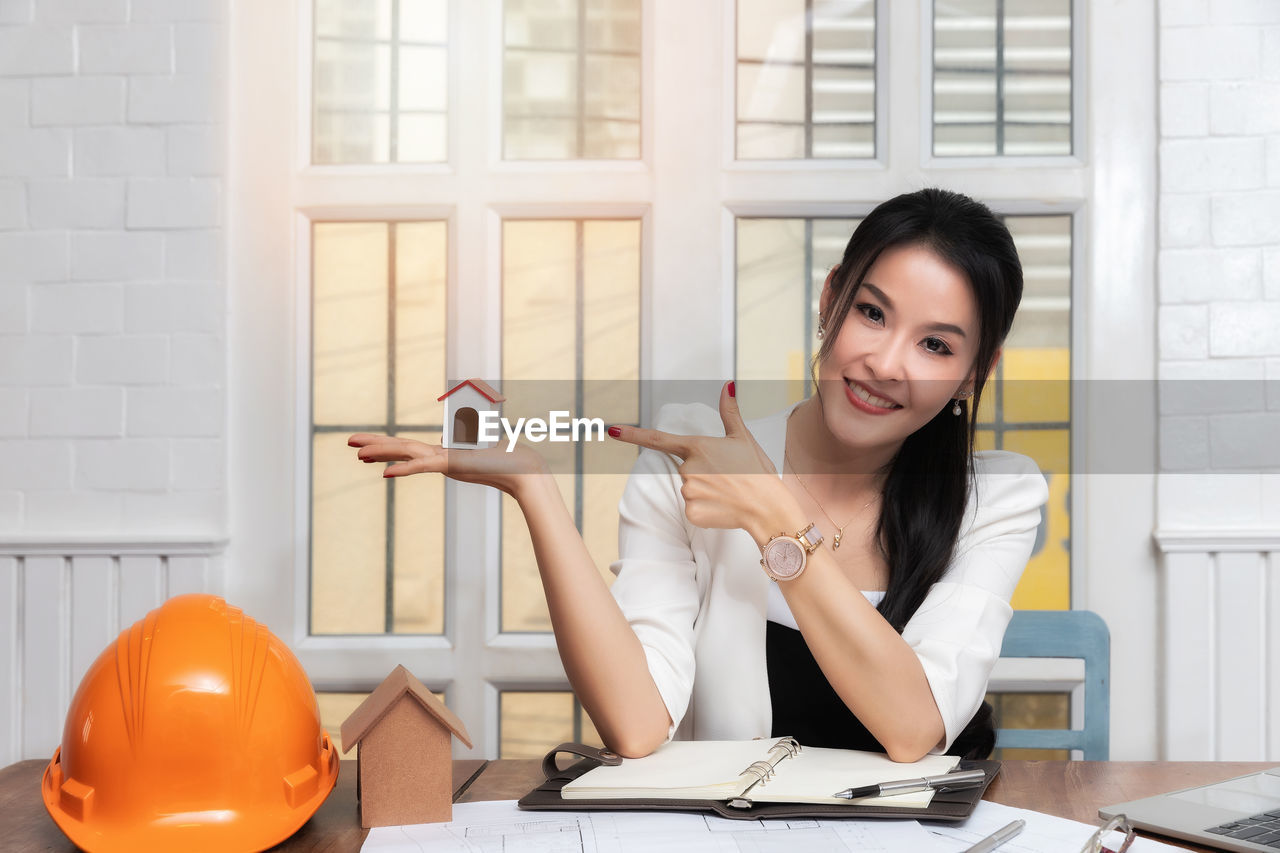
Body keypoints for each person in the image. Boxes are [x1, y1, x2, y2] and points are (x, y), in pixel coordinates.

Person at [349, 188, 1049, 763]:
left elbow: (912, 727)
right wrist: (534, 488)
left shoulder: (998, 497)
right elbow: (636, 722)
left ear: (973, 373)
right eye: (871, 312)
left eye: (935, 344)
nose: (886, 362)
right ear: (830, 299)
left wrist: (773, 515)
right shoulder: (694, 452)